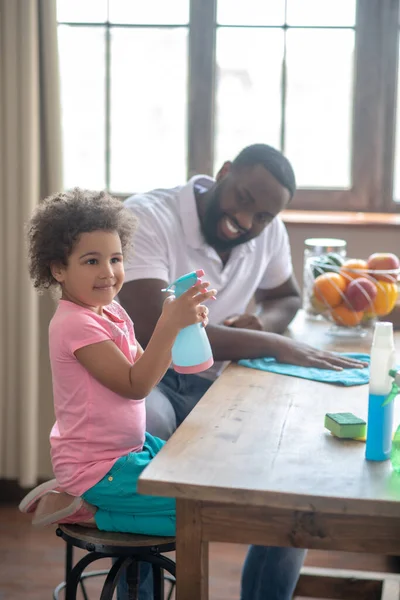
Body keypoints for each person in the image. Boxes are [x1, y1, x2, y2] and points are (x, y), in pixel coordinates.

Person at [117, 144, 367, 599]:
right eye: (245, 200)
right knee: (145, 428)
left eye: (264, 216)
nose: (248, 222)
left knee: (296, 471)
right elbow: (158, 329)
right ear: (224, 172)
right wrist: (274, 343)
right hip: (145, 374)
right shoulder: (148, 216)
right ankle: (142, 590)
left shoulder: (266, 231)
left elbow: (285, 297)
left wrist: (262, 324)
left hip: (216, 381)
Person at [24, 188, 216, 537]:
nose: (109, 272)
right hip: (96, 468)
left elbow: (146, 368)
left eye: (116, 259)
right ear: (58, 270)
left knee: (204, 479)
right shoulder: (74, 324)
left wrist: (181, 329)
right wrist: (167, 323)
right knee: (194, 510)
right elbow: (136, 386)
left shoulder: (110, 310)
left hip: (128, 449)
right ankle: (87, 512)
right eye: (92, 261)